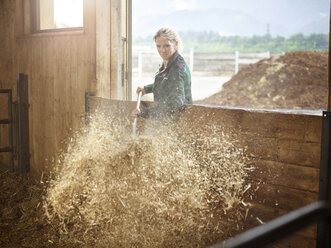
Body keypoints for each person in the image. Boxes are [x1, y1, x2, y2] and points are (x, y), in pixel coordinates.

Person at [131, 27, 192, 119]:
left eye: (166, 46)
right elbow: (167, 83)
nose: (162, 50)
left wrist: (144, 112)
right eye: (158, 46)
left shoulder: (177, 68)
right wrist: (146, 89)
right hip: (168, 118)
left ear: (175, 44)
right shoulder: (169, 63)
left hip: (180, 120)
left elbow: (175, 105)